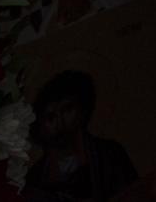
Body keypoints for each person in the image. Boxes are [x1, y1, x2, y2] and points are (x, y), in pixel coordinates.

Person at [23, 69, 145, 202]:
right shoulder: (36, 177)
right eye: (51, 117)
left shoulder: (110, 155)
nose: (60, 122)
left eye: (67, 109)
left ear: (82, 109)